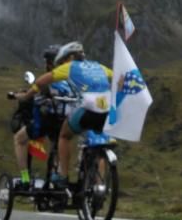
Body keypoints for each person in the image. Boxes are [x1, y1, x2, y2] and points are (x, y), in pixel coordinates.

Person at [15, 41, 113, 188]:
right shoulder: (99, 66)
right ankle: (100, 186)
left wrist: (25, 96)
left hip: (60, 118)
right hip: (106, 113)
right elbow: (118, 77)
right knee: (98, 145)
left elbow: (41, 83)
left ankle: (32, 178)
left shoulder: (69, 69)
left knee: (59, 136)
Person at [9, 45, 76, 190]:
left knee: (19, 139)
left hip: (47, 121)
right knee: (61, 142)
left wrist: (16, 95)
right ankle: (60, 175)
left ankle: (25, 178)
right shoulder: (73, 80)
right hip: (67, 121)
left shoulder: (48, 79)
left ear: (50, 63)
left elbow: (31, 97)